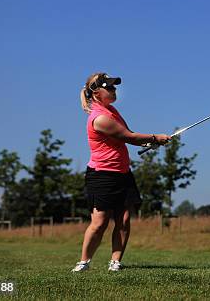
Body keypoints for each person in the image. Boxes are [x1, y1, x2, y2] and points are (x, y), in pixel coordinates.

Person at [71, 72, 170, 272]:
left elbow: (127, 136)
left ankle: (115, 261)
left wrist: (150, 141)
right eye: (109, 87)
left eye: (114, 87)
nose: (114, 90)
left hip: (122, 173)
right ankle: (84, 262)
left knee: (124, 220)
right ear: (96, 93)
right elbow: (129, 137)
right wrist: (154, 137)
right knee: (99, 223)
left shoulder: (112, 111)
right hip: (102, 175)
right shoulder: (98, 119)